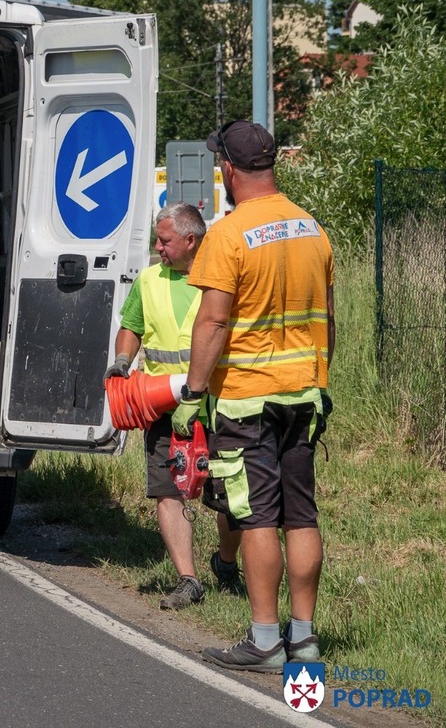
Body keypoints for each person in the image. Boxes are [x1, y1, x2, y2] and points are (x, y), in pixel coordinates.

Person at [173, 120, 334, 672]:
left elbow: (213, 323)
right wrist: (320, 381)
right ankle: (304, 638)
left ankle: (265, 640)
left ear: (228, 170)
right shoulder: (312, 227)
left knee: (259, 516)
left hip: (247, 398)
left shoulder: (228, 234)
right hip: (305, 394)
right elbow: (328, 320)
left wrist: (193, 393)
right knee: (302, 514)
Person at [106, 203, 243, 611]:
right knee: (168, 491)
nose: (157, 248)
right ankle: (189, 580)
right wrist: (121, 362)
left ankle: (227, 563)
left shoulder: (221, 279)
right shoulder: (149, 280)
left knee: (230, 498)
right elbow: (131, 326)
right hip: (164, 406)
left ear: (191, 240)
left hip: (216, 405)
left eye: (164, 241)